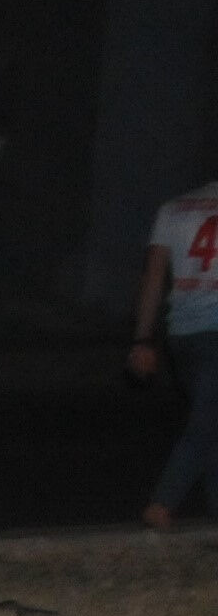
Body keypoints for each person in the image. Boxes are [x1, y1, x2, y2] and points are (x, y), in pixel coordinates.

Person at [128, 175, 218, 529]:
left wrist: (142, 339)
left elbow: (153, 277)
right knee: (208, 421)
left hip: (184, 335)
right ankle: (163, 501)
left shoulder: (174, 209)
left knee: (212, 419)